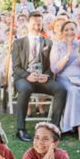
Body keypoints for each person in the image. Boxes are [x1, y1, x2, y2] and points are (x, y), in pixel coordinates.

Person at [12, 11, 67, 142]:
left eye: (39, 24)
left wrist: (47, 76)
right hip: (24, 79)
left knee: (61, 89)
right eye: (34, 24)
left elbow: (51, 65)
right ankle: (21, 129)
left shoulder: (48, 42)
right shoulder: (18, 43)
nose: (37, 27)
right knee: (25, 89)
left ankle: (54, 127)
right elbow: (16, 67)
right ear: (28, 23)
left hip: (42, 79)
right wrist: (28, 75)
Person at [50, 21, 80, 143]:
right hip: (65, 77)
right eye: (66, 30)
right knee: (73, 90)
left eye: (72, 29)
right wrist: (68, 54)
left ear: (77, 31)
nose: (70, 32)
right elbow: (55, 69)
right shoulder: (57, 46)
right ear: (62, 32)